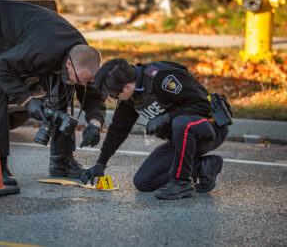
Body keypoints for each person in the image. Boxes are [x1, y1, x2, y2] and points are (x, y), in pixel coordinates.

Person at [0, 0, 106, 186]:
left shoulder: (82, 56)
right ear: (68, 64)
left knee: (64, 88)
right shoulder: (43, 50)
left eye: (86, 81)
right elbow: (3, 66)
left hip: (33, 32)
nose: (84, 84)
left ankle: (61, 161)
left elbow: (90, 94)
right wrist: (27, 99)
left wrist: (95, 123)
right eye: (82, 79)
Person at [82, 58, 232, 200]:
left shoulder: (163, 78)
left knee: (181, 123)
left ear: (127, 86)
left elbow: (203, 104)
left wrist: (166, 117)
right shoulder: (131, 95)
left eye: (114, 96)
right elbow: (118, 130)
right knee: (143, 182)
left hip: (210, 129)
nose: (114, 99)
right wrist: (100, 164)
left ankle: (182, 183)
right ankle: (203, 167)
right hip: (183, 140)